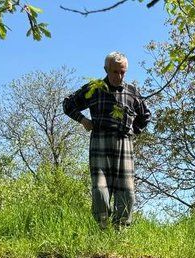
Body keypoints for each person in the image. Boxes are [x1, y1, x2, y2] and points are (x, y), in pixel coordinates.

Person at [62, 52, 151, 229]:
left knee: (126, 190)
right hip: (100, 141)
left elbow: (146, 115)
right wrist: (83, 121)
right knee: (100, 188)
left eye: (123, 72)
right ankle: (102, 228)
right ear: (106, 69)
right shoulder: (94, 88)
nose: (119, 76)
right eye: (115, 72)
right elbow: (68, 104)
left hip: (124, 143)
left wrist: (134, 130)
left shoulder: (132, 92)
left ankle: (120, 231)